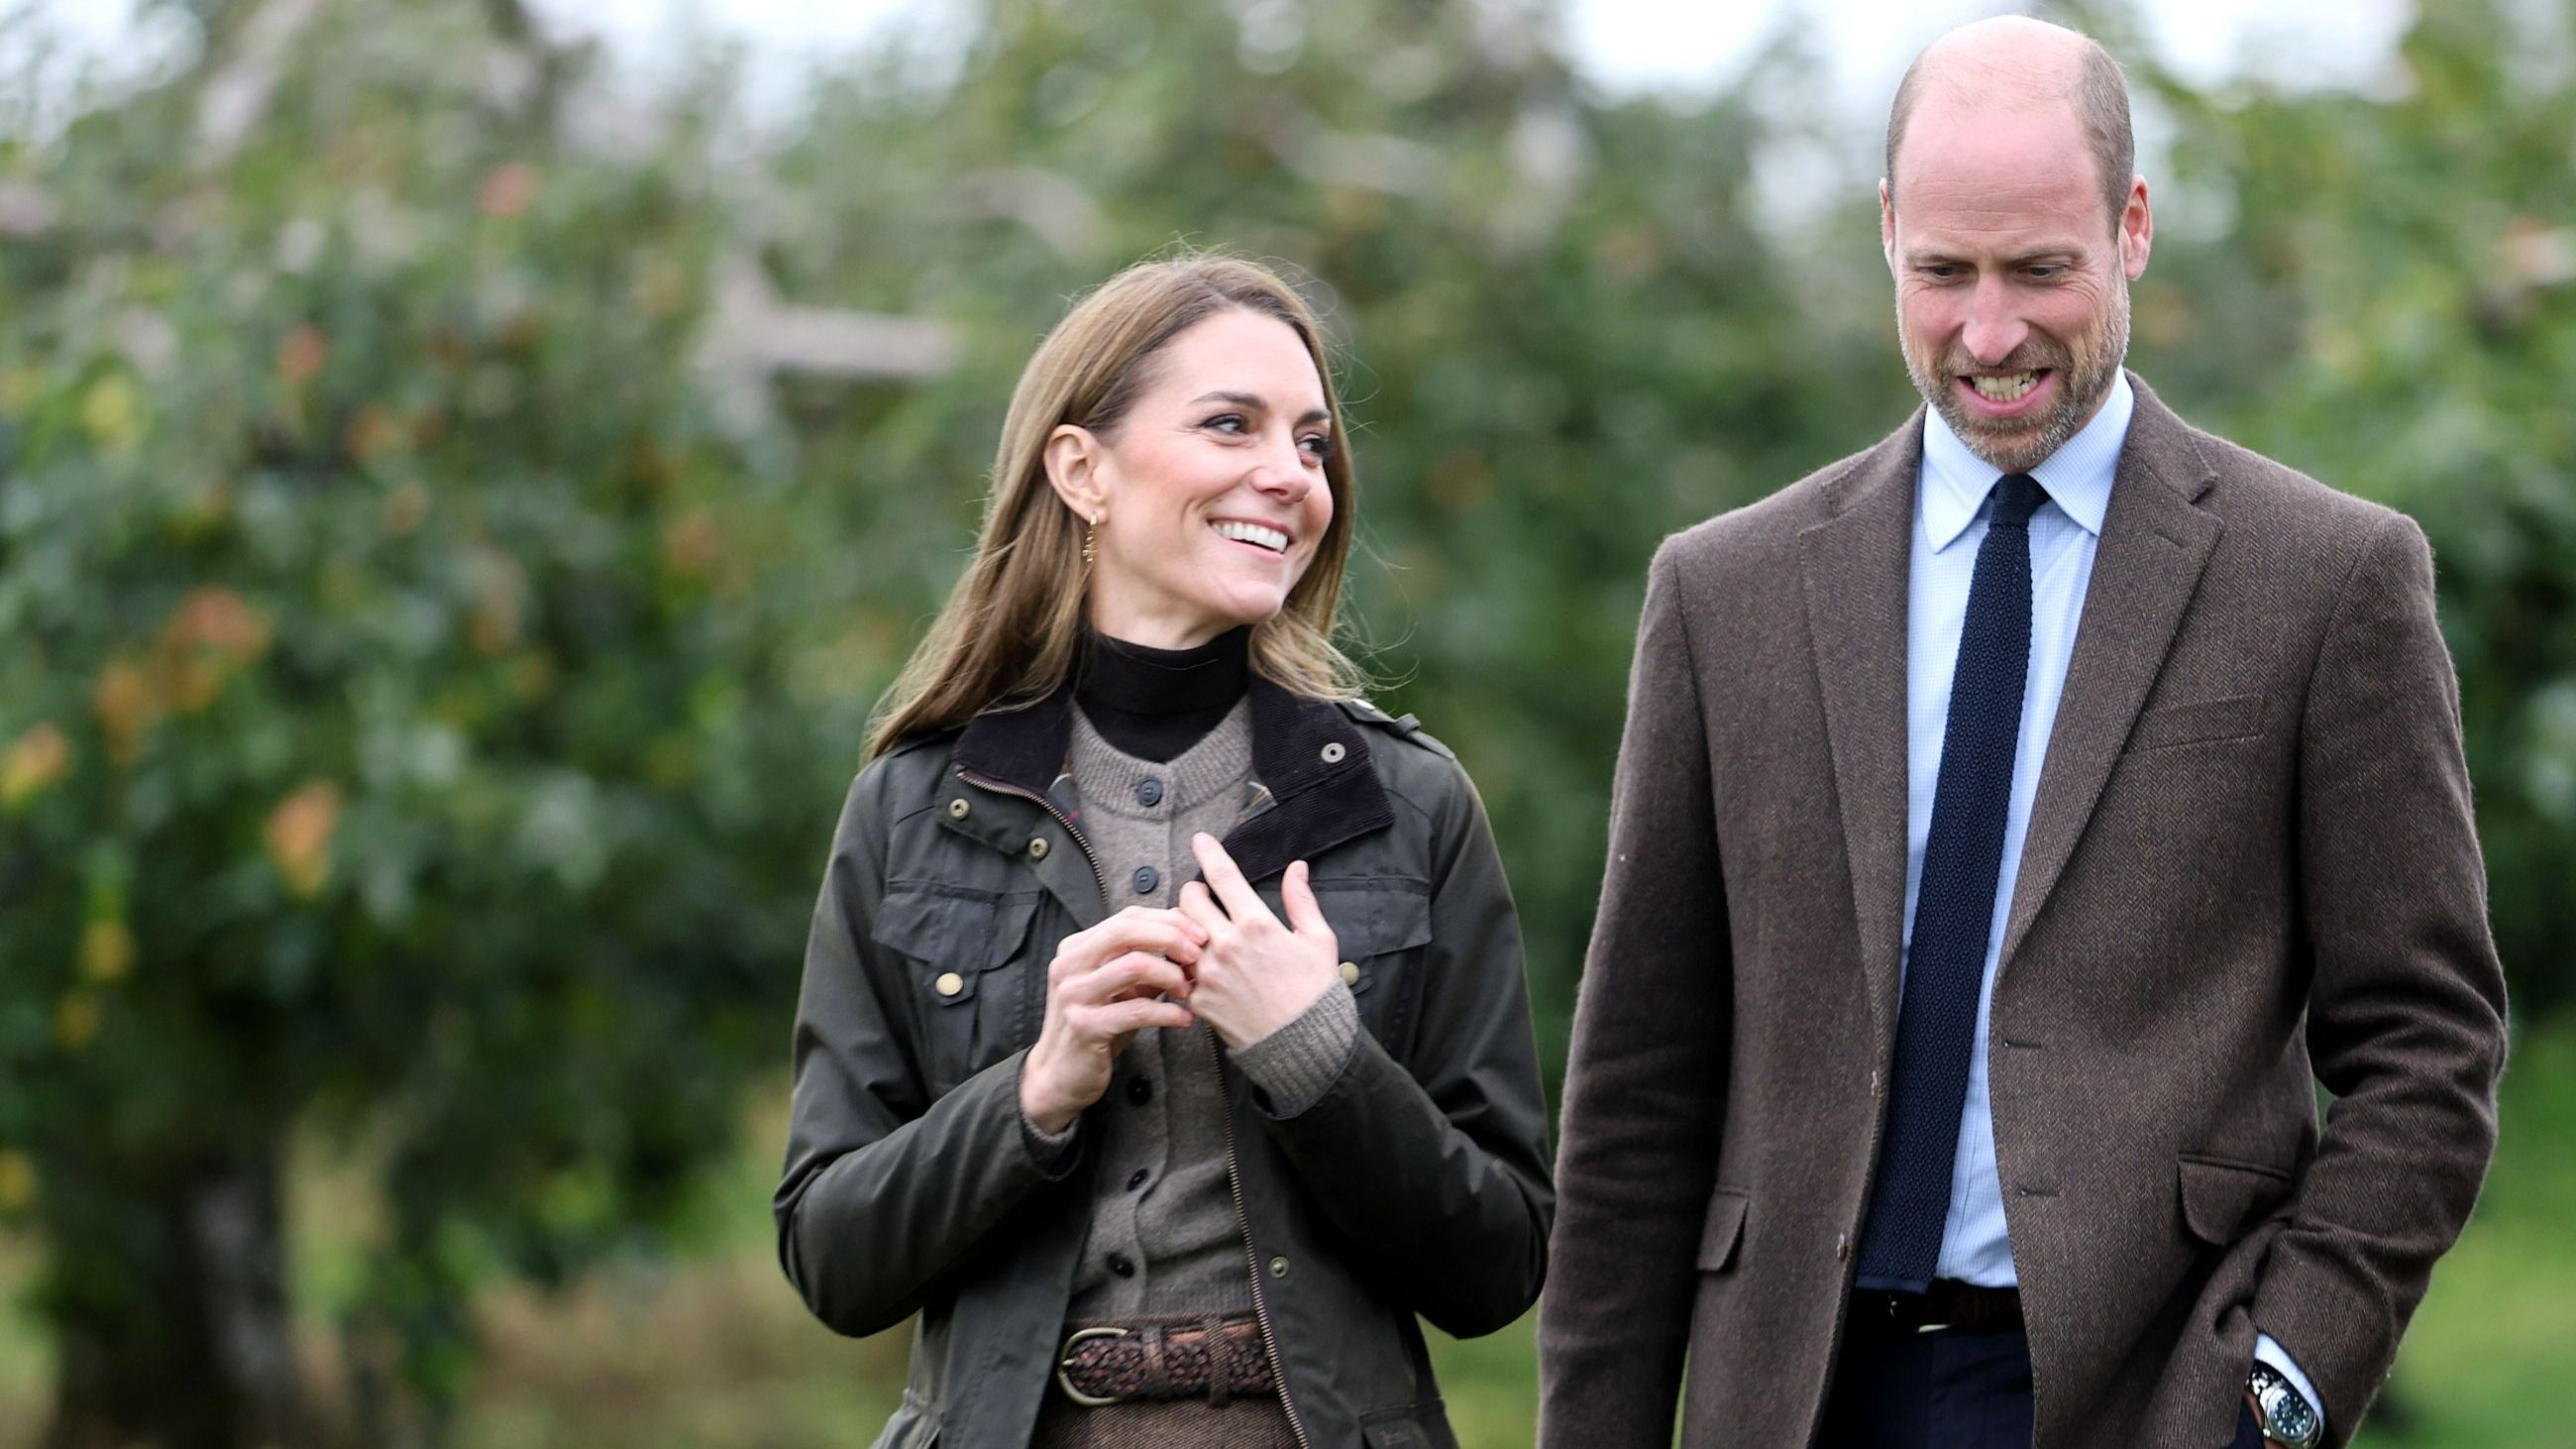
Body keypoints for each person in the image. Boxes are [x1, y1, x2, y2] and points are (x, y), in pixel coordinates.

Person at [1538, 17, 2505, 1449]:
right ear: (1885, 235)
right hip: (1790, 1396)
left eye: (2041, 270)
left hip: (2148, 1394)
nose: (1989, 334)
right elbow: (1636, 1086)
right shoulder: (1722, 594)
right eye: (1943, 273)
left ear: (2132, 227)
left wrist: (2280, 1389)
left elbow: (2428, 1041)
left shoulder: (2327, 578)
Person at [775, 254, 1552, 1449]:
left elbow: (1499, 1263)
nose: (1286, 475)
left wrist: (1318, 1060)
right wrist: (1034, 1088)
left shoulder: (1412, 804)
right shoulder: (913, 807)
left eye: (1309, 442)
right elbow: (831, 1254)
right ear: (1082, 469)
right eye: (1228, 425)